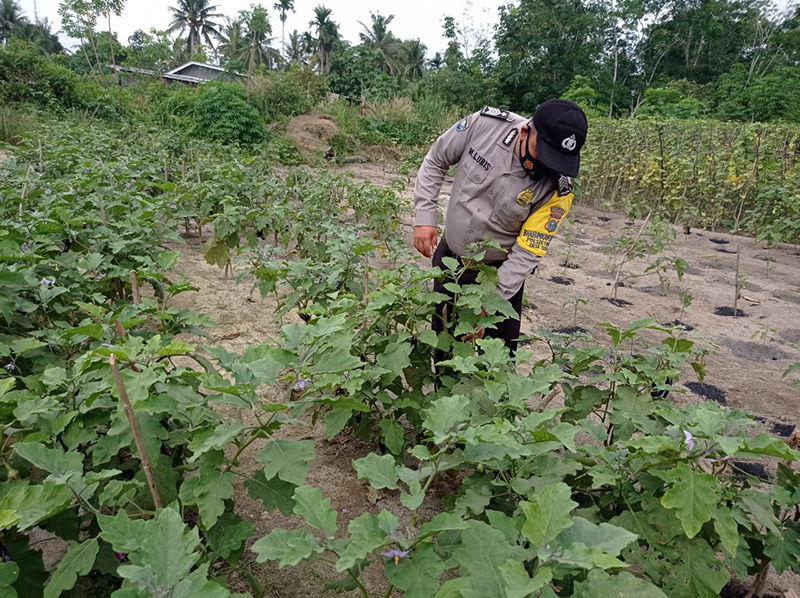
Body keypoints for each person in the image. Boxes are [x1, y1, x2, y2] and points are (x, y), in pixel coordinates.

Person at [413, 100, 588, 355]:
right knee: (444, 350)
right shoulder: (484, 125)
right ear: (526, 131)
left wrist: (490, 302)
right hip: (450, 264)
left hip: (498, 277)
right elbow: (436, 160)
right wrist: (425, 216)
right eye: (545, 153)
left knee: (498, 360)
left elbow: (528, 252)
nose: (549, 166)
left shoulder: (558, 191)